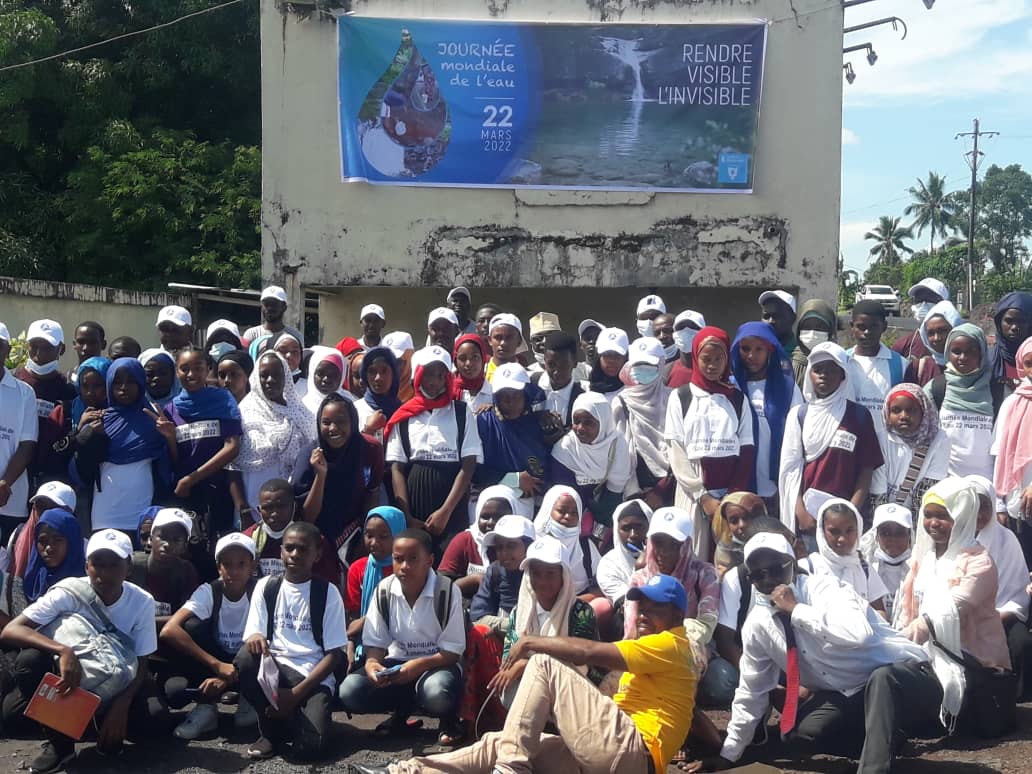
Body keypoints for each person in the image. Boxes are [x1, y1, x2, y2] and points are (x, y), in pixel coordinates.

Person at [356, 572, 696, 774]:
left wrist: (533, 641)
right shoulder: (658, 651)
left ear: (678, 613)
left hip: (632, 753)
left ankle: (510, 769)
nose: (645, 612)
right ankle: (410, 771)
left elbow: (590, 652)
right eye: (643, 605)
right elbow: (684, 713)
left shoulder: (672, 644)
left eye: (656, 606)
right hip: (611, 756)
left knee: (542, 663)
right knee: (498, 741)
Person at [690, 532, 933, 774]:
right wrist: (728, 755)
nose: (769, 579)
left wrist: (796, 610)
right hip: (855, 694)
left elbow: (859, 634)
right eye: (758, 574)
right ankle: (888, 741)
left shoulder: (827, 589)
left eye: (776, 568)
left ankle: (874, 768)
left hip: (910, 679)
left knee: (883, 679)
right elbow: (752, 691)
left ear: (792, 565)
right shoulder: (758, 624)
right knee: (805, 731)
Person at [0, 529, 167, 774]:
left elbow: (142, 661)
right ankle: (61, 745)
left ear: (128, 566)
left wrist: (121, 706)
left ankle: (88, 722)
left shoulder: (141, 601)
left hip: (117, 679)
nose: (104, 574)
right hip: (67, 678)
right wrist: (63, 650)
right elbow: (11, 631)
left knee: (154, 720)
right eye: (97, 564)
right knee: (27, 668)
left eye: (114, 565)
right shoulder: (68, 591)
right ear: (86, 565)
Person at [894, 479, 1010, 733]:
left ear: (963, 516)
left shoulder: (979, 562)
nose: (933, 524)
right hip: (925, 654)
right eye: (928, 515)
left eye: (943, 516)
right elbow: (909, 610)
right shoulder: (924, 558)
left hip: (971, 663)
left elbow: (950, 610)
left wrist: (895, 645)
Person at [338, 528, 466, 744]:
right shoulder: (385, 590)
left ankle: (448, 718)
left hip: (437, 665)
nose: (404, 566)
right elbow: (376, 643)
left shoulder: (446, 591)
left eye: (413, 559)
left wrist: (415, 666)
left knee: (437, 693)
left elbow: (452, 652)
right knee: (350, 690)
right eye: (398, 559)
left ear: (430, 560)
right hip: (397, 666)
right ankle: (401, 714)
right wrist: (371, 665)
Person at [236, 521, 347, 760]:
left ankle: (300, 719)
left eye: (303, 549)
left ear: (317, 554)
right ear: (281, 552)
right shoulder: (267, 586)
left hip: (312, 676)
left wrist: (295, 695)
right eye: (289, 548)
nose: (294, 555)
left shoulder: (328, 593)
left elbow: (334, 655)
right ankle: (270, 731)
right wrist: (256, 637)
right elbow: (254, 634)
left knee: (311, 750)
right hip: (276, 670)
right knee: (245, 658)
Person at [779, 342, 883, 549]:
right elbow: (790, 470)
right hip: (808, 520)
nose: (824, 375)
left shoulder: (859, 416)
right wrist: (800, 512)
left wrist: (851, 512)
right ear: (809, 374)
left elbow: (866, 469)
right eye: (818, 370)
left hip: (845, 522)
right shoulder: (799, 415)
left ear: (843, 375)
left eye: (831, 370)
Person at [665, 326, 755, 559]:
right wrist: (703, 496)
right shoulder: (681, 397)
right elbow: (676, 450)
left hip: (730, 490)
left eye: (719, 359)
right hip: (694, 490)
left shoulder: (736, 398)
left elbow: (746, 449)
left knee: (728, 559)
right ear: (696, 357)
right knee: (693, 555)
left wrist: (731, 498)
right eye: (706, 359)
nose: (713, 365)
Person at [161, 532, 259, 739]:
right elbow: (169, 629)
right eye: (227, 564)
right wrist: (217, 666)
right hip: (218, 660)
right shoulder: (209, 591)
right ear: (218, 567)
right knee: (192, 626)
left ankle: (249, 698)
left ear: (252, 566)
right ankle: (207, 709)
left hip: (249, 663)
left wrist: (229, 677)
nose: (233, 571)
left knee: (258, 642)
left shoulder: (260, 590)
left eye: (241, 564)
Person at [387, 346, 482, 553]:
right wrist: (407, 516)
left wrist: (446, 511)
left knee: (449, 563)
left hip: (451, 505)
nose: (435, 380)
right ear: (417, 374)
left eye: (441, 375)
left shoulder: (461, 412)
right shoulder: (404, 417)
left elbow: (469, 464)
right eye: (429, 373)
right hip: (414, 507)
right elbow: (397, 468)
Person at [624, 507, 722, 706]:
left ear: (685, 545)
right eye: (658, 543)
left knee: (723, 683)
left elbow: (707, 621)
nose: (663, 552)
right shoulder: (639, 579)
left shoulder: (704, 574)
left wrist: (673, 641)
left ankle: (680, 711)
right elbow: (631, 627)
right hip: (648, 644)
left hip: (690, 644)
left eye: (673, 545)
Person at [72, 357, 171, 534]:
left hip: (142, 504)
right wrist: (87, 434)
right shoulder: (99, 419)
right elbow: (80, 469)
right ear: (109, 384)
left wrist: (170, 436)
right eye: (117, 382)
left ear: (141, 383)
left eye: (131, 381)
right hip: (105, 507)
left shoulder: (153, 419)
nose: (124, 388)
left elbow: (170, 464)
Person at [459, 514, 537, 734]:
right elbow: (478, 615)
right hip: (502, 641)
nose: (504, 553)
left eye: (511, 546)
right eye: (500, 548)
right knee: (477, 633)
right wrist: (512, 627)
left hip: (537, 645)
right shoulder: (494, 571)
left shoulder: (540, 572)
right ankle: (472, 718)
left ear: (529, 546)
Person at [162, 348, 242, 535]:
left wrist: (191, 479)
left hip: (218, 491)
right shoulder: (169, 410)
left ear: (208, 369)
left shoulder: (223, 399)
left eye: (198, 368)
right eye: (184, 369)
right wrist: (170, 438)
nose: (191, 374)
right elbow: (176, 460)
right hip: (186, 495)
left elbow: (232, 447)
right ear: (176, 371)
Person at [294, 394, 384, 556]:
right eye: (326, 423)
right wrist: (321, 475)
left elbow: (372, 492)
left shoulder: (370, 449)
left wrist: (366, 535)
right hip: (318, 540)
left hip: (355, 535)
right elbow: (307, 517)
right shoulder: (309, 455)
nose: (333, 428)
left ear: (353, 422)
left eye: (341, 421)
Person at [968, 475, 1032, 695]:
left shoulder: (1007, 540)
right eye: (972, 506)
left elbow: (1018, 594)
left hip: (1002, 615)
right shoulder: (953, 538)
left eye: (985, 506)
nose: (979, 514)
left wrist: (993, 618)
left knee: (1021, 643)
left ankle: (1017, 702)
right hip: (962, 620)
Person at [230, 351, 315, 515]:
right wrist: (243, 509)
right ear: (256, 378)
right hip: (253, 506)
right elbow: (232, 468)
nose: (270, 380)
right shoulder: (243, 414)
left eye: (277, 375)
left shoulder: (302, 414)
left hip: (293, 507)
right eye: (264, 375)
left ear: (287, 378)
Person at [730, 322, 803, 510]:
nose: (751, 356)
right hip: (738, 481)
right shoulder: (731, 386)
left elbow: (796, 436)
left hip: (775, 485)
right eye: (745, 349)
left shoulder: (787, 388)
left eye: (759, 349)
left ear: (770, 350)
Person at [475, 363, 550, 518]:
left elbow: (539, 472)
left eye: (516, 395)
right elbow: (475, 471)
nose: (511, 402)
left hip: (525, 505)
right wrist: (514, 480)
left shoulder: (536, 425)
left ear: (526, 395)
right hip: (488, 503)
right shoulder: (482, 422)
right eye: (504, 397)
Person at [551, 392, 634, 530]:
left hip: (604, 513)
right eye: (576, 421)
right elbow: (564, 496)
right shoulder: (564, 449)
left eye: (588, 422)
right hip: (568, 516)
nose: (580, 428)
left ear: (603, 422)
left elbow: (615, 490)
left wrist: (601, 523)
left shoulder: (617, 444)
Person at [927, 324, 997, 479]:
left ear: (982, 353)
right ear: (947, 353)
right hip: (943, 482)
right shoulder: (937, 388)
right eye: (956, 351)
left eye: (971, 351)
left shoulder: (996, 389)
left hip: (986, 484)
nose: (963, 358)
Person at [533, 486, 609, 625]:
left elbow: (603, 589)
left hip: (575, 611)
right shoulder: (532, 543)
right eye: (561, 511)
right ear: (548, 510)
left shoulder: (586, 548)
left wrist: (570, 603)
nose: (568, 517)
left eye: (574, 513)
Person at [242, 478, 339, 585]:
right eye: (268, 507)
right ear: (259, 510)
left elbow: (329, 584)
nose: (274, 513)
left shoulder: (314, 542)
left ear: (294, 506)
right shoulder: (247, 540)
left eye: (281, 506)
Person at [2, 482, 78, 618]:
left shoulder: (85, 548)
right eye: (40, 506)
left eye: (53, 508)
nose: (45, 513)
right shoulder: (18, 535)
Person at [871, 384, 949, 512]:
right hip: (885, 513)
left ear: (923, 412)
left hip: (918, 515)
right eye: (896, 410)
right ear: (887, 412)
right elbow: (877, 495)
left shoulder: (938, 439)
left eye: (911, 410)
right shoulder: (881, 439)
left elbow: (927, 492)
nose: (904, 416)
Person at [613, 337, 673, 504]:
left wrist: (664, 488)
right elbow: (622, 454)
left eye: (649, 366)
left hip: (676, 485)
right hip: (638, 492)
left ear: (661, 365)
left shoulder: (674, 398)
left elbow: (681, 448)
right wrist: (634, 494)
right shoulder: (621, 403)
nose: (642, 371)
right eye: (637, 366)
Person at [17, 319, 75, 487]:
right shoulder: (12, 383)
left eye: (47, 347)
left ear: (61, 349)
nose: (39, 354)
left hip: (53, 479)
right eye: (34, 346)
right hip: (15, 476)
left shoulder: (68, 391)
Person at [806, 499, 889, 612]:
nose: (842, 539)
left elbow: (879, 610)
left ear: (858, 529)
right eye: (834, 532)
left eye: (849, 531)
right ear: (822, 531)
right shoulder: (809, 568)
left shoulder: (864, 569)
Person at [438, 485, 521, 597]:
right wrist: (474, 580)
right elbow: (441, 587)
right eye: (485, 517)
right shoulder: (464, 540)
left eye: (499, 517)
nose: (491, 522)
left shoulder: (521, 543)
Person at [992, 336, 1032, 563]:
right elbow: (1000, 454)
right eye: (1029, 363)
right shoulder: (1012, 403)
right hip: (1018, 505)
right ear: (1021, 366)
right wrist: (999, 504)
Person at [130, 508, 199, 632]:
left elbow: (186, 616)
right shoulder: (132, 566)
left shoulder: (186, 571)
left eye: (176, 540)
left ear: (184, 546)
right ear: (151, 539)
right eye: (162, 537)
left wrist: (143, 621)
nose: (167, 544)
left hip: (167, 635)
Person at [344, 506, 408, 637]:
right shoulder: (357, 569)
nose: (374, 542)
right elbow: (353, 617)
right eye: (369, 535)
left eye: (383, 536)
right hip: (365, 639)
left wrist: (370, 619)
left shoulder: (407, 569)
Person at [847, 300, 909, 433]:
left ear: (884, 326)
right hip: (848, 444)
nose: (867, 332)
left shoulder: (900, 365)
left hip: (886, 446)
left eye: (874, 326)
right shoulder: (842, 361)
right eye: (861, 327)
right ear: (852, 326)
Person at [859, 503, 913, 622]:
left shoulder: (918, 570)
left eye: (899, 533)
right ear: (876, 536)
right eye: (886, 533)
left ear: (909, 535)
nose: (893, 539)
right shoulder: (864, 569)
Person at [596, 500, 652, 609]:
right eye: (626, 528)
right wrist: (640, 572)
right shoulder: (608, 564)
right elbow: (628, 604)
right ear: (617, 530)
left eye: (639, 527)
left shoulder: (665, 556)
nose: (633, 535)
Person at [536, 332, 587, 429]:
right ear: (544, 362)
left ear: (575, 362)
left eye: (563, 364)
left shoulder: (586, 393)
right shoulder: (532, 386)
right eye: (551, 364)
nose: (556, 371)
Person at [892, 277, 950, 360]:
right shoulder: (901, 346)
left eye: (929, 299)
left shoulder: (958, 345)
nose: (923, 304)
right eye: (918, 299)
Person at [710, 491, 767, 574]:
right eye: (734, 521)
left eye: (746, 517)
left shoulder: (773, 541)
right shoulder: (725, 549)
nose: (741, 525)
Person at [989, 291, 1032, 399]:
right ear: (999, 322)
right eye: (1009, 321)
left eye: (1021, 321)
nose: (1014, 327)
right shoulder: (986, 360)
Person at [910, 300, 963, 386]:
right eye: (930, 333)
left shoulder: (970, 365)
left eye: (942, 331)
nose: (937, 338)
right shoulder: (918, 368)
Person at [356, 345, 403, 441]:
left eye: (384, 371)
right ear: (365, 375)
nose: (378, 378)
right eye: (372, 371)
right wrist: (368, 430)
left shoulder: (403, 412)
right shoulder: (354, 410)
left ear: (394, 374)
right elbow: (348, 452)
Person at [791, 298, 837, 387]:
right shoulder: (788, 366)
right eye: (807, 326)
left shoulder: (839, 365)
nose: (812, 333)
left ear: (830, 330)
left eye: (820, 327)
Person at [302, 346, 350, 415]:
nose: (326, 380)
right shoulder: (302, 407)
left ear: (342, 376)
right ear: (312, 372)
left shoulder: (351, 405)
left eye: (333, 375)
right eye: (320, 373)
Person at [452, 333, 493, 412]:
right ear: (455, 362)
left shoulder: (494, 394)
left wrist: (494, 411)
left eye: (475, 357)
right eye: (462, 358)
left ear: (483, 359)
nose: (469, 363)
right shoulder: (447, 394)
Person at [666, 310, 706, 388]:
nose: (686, 331)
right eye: (681, 327)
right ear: (674, 334)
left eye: (693, 327)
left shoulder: (715, 370)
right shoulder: (666, 372)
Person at [589, 327, 629, 399]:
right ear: (598, 357)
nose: (612, 360)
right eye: (607, 355)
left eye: (617, 355)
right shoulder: (585, 391)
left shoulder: (635, 393)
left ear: (626, 357)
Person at [758, 289, 798, 356]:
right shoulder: (753, 353)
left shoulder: (801, 356)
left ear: (793, 318)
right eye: (766, 316)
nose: (770, 321)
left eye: (778, 316)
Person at [486, 314, 523, 382]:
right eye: (498, 337)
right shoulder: (481, 374)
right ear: (489, 340)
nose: (503, 343)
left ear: (519, 341)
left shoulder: (528, 376)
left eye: (509, 338)